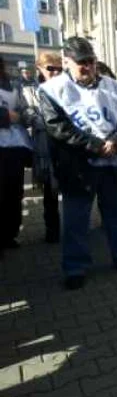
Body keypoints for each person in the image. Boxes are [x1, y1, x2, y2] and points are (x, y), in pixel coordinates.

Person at [38, 37, 117, 290]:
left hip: (114, 163)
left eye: (91, 61)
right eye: (81, 63)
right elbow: (57, 127)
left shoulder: (114, 86)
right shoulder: (53, 89)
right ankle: (75, 267)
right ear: (67, 62)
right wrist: (97, 146)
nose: (87, 67)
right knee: (76, 220)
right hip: (78, 165)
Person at [22, 52, 64, 244]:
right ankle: (52, 230)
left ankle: (74, 228)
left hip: (66, 145)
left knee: (72, 188)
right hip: (45, 146)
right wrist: (52, 121)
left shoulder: (67, 89)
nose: (55, 72)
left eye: (59, 68)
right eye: (50, 68)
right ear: (39, 69)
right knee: (50, 191)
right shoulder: (31, 91)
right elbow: (29, 116)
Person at [0, 56, 33, 255]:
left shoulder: (11, 84)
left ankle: (9, 234)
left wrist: (26, 115)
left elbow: (21, 108)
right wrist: (5, 116)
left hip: (14, 145)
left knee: (14, 192)